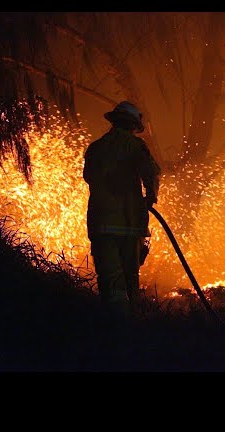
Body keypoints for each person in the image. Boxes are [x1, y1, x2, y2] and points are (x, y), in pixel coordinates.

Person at [83, 101, 161, 321]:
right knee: (130, 280)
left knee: (110, 281)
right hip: (129, 224)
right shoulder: (136, 146)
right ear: (134, 125)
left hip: (101, 225)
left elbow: (89, 177)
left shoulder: (95, 147)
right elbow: (152, 173)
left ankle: (113, 328)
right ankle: (131, 327)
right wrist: (150, 197)